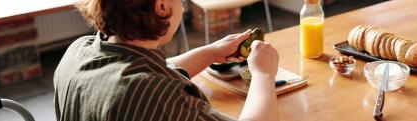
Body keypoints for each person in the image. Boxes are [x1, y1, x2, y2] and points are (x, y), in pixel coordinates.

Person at [53, 0, 280, 120]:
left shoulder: (78, 51)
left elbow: (150, 71)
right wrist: (264, 74)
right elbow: (151, 87)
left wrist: (211, 52)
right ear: (162, 6)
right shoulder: (154, 93)